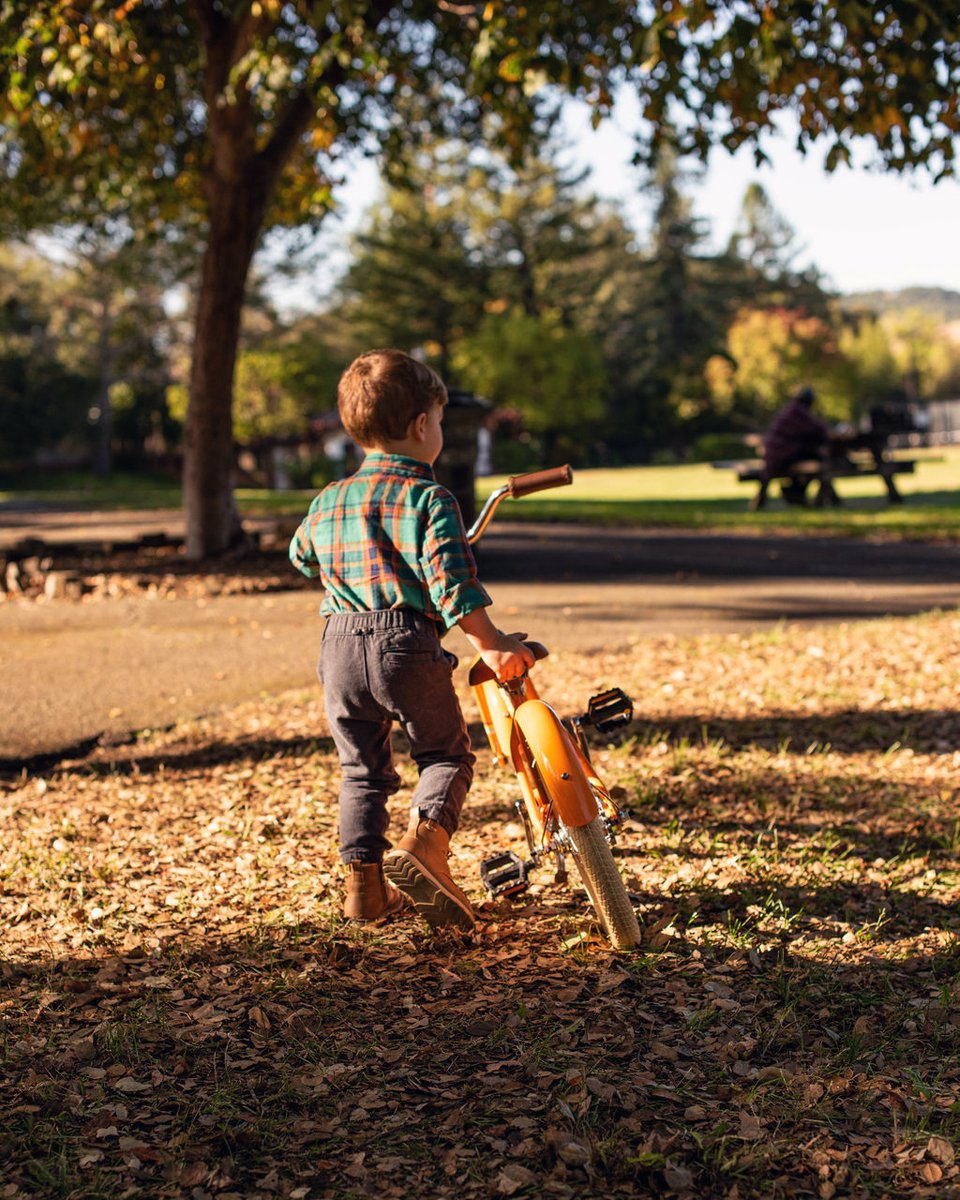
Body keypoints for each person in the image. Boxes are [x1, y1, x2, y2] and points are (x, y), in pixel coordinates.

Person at [289, 349, 535, 932]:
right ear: (423, 425)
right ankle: (426, 846)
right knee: (445, 754)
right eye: (441, 422)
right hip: (405, 643)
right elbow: (451, 581)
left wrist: (348, 565)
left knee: (361, 772)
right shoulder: (431, 498)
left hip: (339, 648)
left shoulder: (328, 498)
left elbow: (302, 556)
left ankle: (364, 892)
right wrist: (490, 641)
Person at [763, 386, 831, 505]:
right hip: (782, 455)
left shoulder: (790, 410)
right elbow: (818, 429)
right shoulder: (798, 411)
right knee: (819, 459)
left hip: (776, 455)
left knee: (813, 458)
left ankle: (795, 492)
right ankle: (798, 493)